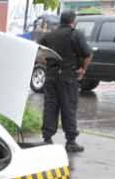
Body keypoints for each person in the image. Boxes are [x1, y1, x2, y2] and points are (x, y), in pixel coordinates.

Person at [39, 9, 92, 153]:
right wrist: (83, 70)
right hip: (68, 77)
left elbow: (40, 54)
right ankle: (70, 141)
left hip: (51, 77)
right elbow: (87, 54)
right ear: (73, 21)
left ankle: (47, 138)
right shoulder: (76, 34)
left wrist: (49, 65)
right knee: (68, 107)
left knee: (50, 106)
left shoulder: (49, 36)